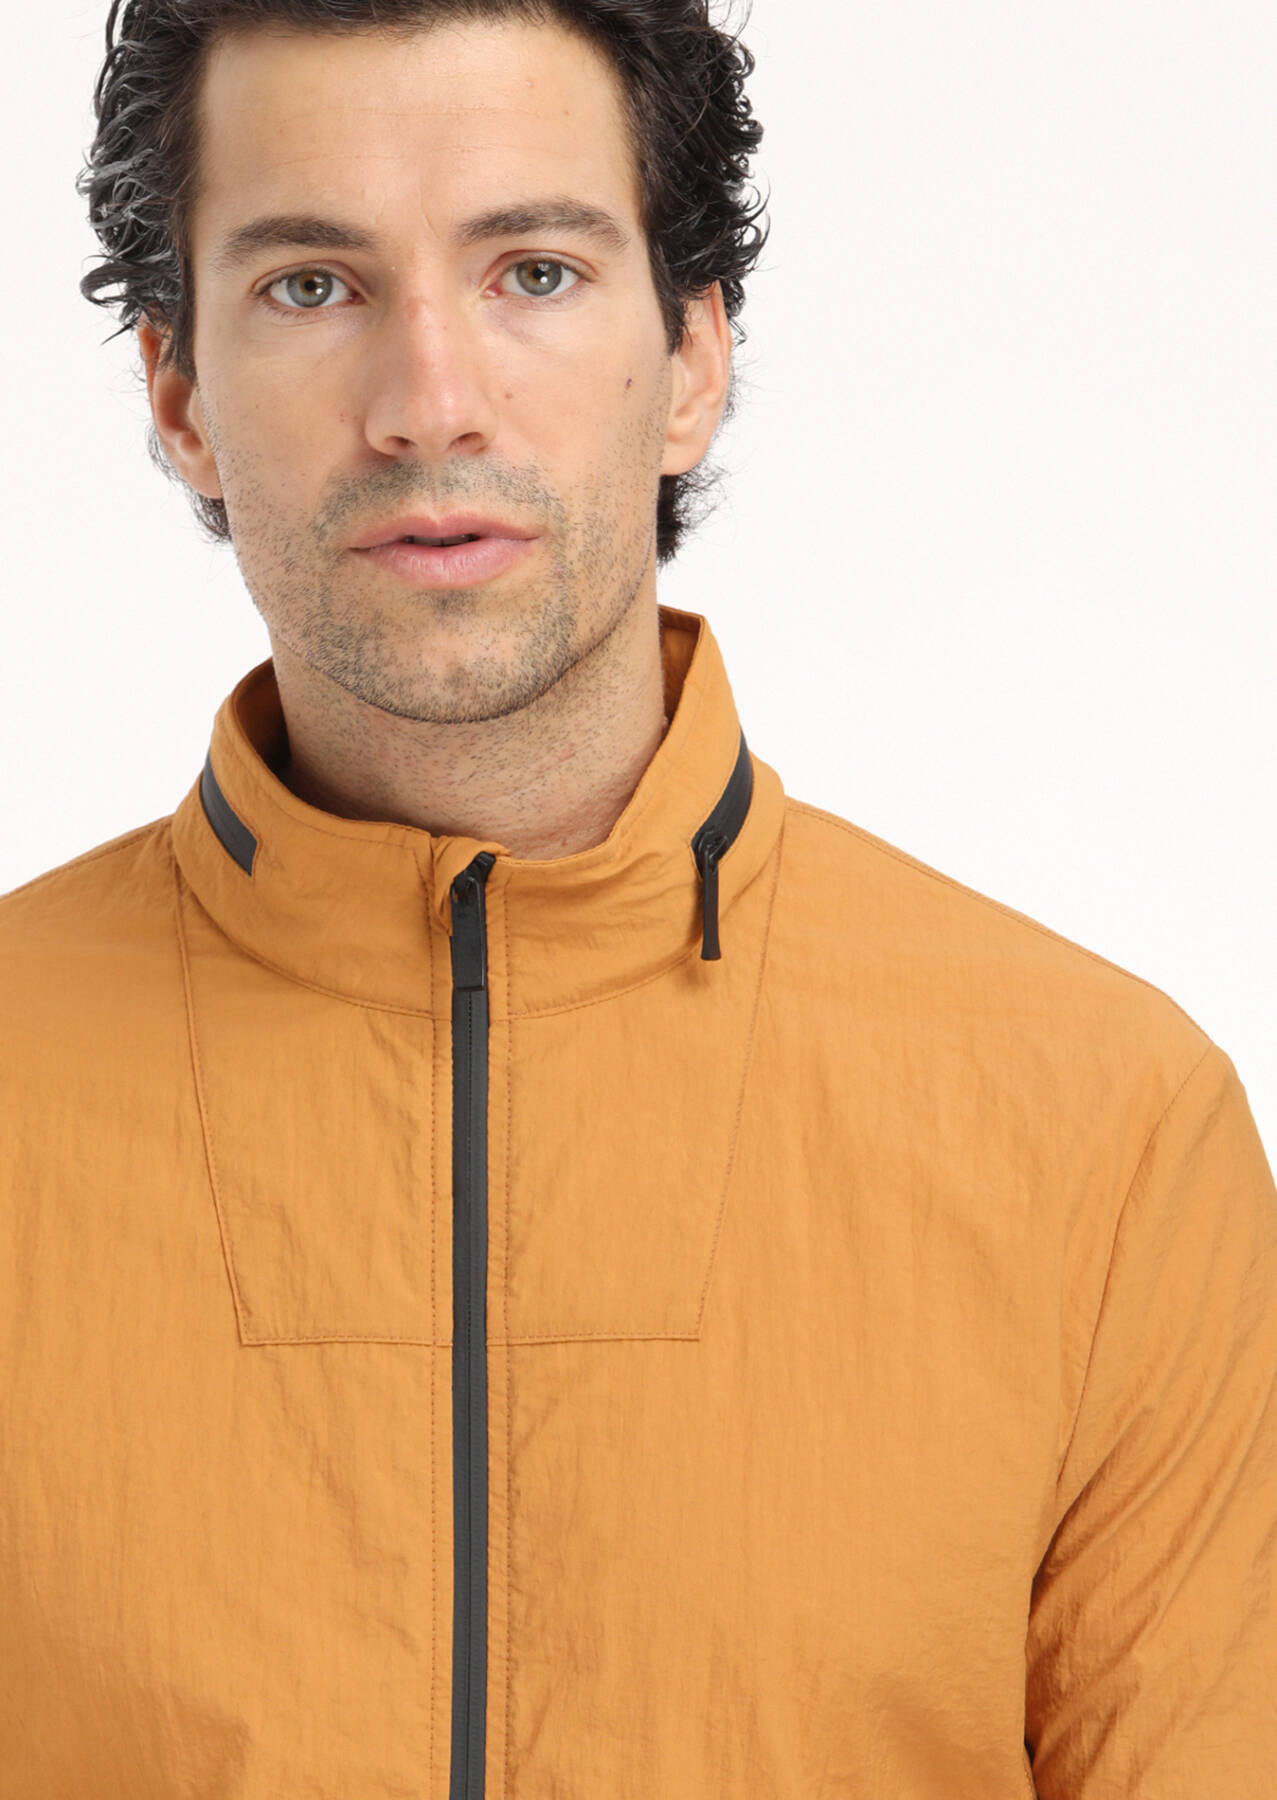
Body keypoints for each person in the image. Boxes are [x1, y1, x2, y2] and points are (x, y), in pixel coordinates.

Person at [2, 1, 1273, 1794]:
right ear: (178, 396)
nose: (429, 402)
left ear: (688, 361)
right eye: (311, 286)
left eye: (531, 272)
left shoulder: (1102, 1136)